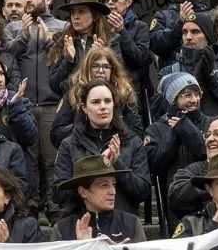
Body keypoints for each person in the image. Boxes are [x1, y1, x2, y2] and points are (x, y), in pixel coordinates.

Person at [7, 0, 67, 206]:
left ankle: (54, 210)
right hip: (24, 104)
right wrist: (22, 36)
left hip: (53, 104)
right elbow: (5, 57)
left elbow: (66, 63)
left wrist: (50, 41)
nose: (28, 0)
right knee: (26, 161)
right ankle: (28, 208)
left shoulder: (62, 27)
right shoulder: (13, 27)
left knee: (52, 160)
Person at [52, 81, 150, 213]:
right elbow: (58, 194)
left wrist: (117, 164)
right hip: (82, 223)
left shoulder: (133, 142)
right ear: (84, 108)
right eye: (96, 102)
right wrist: (94, 169)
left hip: (122, 223)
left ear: (114, 105)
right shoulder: (69, 144)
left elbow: (142, 191)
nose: (103, 107)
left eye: (108, 101)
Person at [51, 46, 142, 148]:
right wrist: (81, 124)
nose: (101, 70)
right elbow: (56, 135)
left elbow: (136, 131)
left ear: (113, 69)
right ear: (87, 68)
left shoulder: (124, 92)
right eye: (95, 66)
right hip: (80, 152)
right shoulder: (74, 92)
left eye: (106, 66)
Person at [144, 72, 208, 212]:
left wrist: (185, 127)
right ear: (173, 99)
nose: (194, 99)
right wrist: (174, 131)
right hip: (175, 199)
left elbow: (205, 152)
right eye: (187, 95)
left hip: (208, 196)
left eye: (197, 94)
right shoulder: (156, 129)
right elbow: (155, 165)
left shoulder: (211, 123)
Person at [51, 154, 147, 243]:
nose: (113, 191)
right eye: (104, 185)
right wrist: (82, 248)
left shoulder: (131, 224)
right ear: (82, 191)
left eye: (113, 184)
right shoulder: (62, 229)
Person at [47, 0, 116, 96]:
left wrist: (100, 57)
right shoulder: (62, 42)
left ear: (94, 16)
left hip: (102, 103)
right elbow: (54, 85)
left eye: (81, 11)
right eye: (72, 12)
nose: (76, 16)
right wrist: (68, 61)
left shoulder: (111, 40)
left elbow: (118, 79)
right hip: (72, 107)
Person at [150, 0, 212, 68]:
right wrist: (179, 24)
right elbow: (155, 45)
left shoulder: (212, 15)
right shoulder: (163, 15)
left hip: (206, 71)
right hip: (173, 73)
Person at [103, 0, 152, 101]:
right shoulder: (99, 26)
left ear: (128, 2)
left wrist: (121, 31)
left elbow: (140, 59)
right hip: (103, 89)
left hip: (130, 93)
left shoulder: (140, 27)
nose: (110, 2)